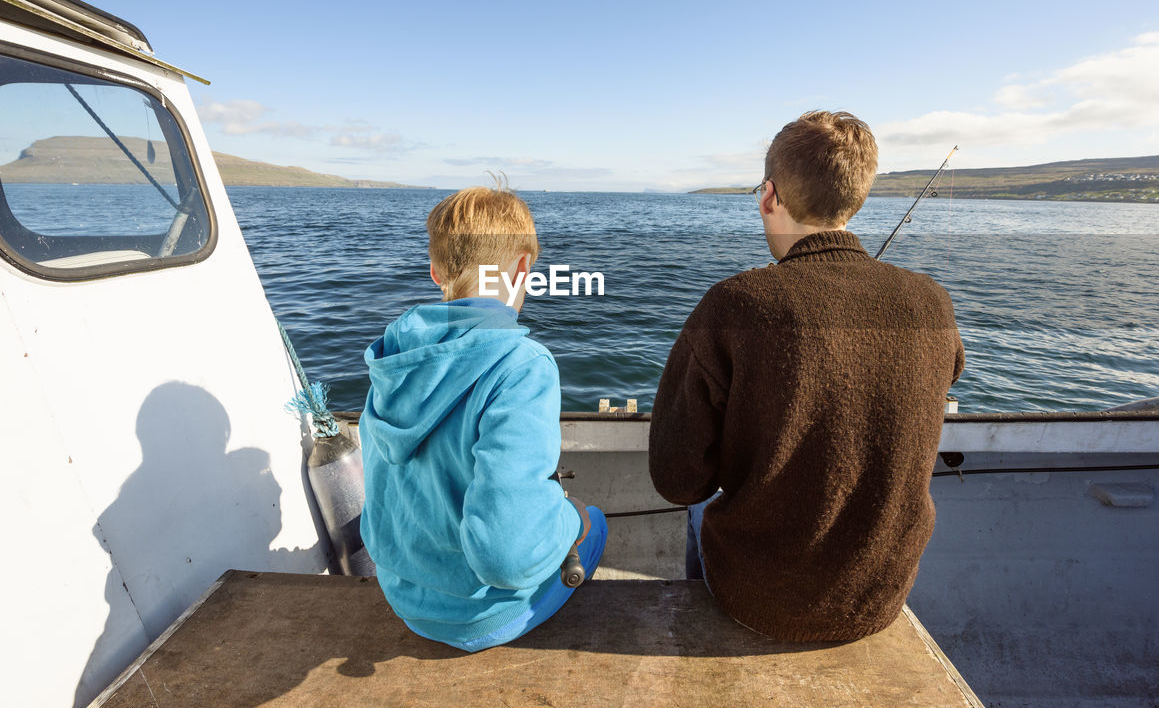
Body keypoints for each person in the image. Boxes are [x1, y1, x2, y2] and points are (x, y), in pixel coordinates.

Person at [649, 111, 964, 642]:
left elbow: (678, 481)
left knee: (696, 515)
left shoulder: (736, 303)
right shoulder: (931, 301)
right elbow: (946, 374)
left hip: (756, 598)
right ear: (856, 198)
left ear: (769, 196)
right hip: (878, 599)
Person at [360, 184, 607, 652]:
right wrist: (572, 521)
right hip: (481, 618)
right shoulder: (522, 365)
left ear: (437, 271)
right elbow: (504, 557)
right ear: (521, 269)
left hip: (404, 599)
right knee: (592, 520)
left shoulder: (393, 358)